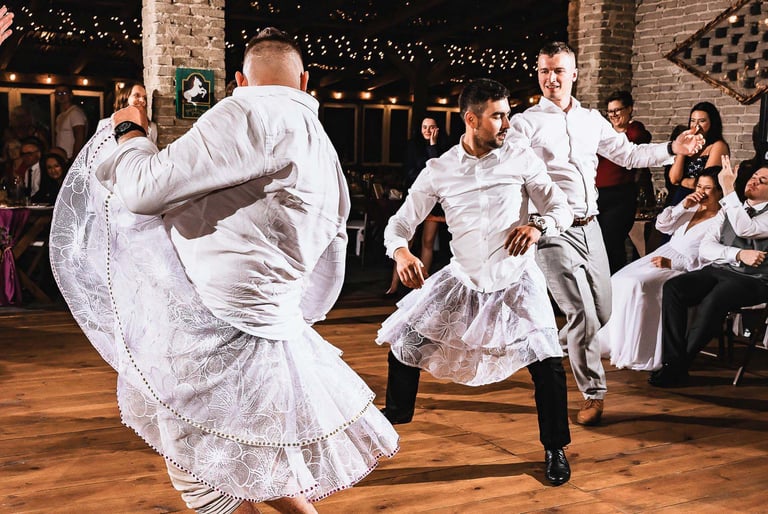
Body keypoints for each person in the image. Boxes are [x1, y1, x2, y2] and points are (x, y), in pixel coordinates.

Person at [50, 27, 398, 513]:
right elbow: (332, 258)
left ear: (238, 79)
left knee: (203, 472)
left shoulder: (247, 111)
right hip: (274, 331)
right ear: (305, 81)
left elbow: (144, 191)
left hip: (214, 329)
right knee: (248, 466)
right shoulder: (325, 149)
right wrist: (295, 318)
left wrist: (129, 132)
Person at [377, 78, 574, 486]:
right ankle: (395, 414)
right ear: (471, 119)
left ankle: (555, 448)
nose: (507, 123)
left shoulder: (521, 158)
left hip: (517, 278)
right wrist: (401, 252)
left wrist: (539, 226)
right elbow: (399, 224)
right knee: (406, 341)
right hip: (463, 279)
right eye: (498, 116)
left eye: (508, 114)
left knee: (549, 364)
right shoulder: (439, 169)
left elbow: (560, 206)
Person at [506, 41, 704, 426]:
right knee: (580, 312)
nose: (552, 78)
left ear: (574, 74)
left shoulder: (590, 120)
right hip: (552, 230)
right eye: (545, 71)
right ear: (538, 73)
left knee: (602, 311)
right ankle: (593, 394)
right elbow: (512, 176)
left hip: (591, 225)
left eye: (559, 71)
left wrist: (671, 148)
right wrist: (523, 222)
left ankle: (544, 347)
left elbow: (629, 155)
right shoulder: (524, 124)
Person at [649, 157, 768, 387]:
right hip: (720, 269)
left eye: (762, 181)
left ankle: (677, 367)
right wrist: (738, 254)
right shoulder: (728, 209)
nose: (753, 182)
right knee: (675, 288)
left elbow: (747, 228)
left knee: (716, 299)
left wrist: (728, 189)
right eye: (754, 177)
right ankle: (675, 363)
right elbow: (706, 247)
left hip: (754, 280)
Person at [598, 172, 722, 371]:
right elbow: (662, 225)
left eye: (707, 188)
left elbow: (711, 255)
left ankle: (640, 350)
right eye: (699, 186)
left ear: (719, 192)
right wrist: (683, 206)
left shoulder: (721, 219)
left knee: (639, 285)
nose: (701, 192)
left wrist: (674, 264)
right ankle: (615, 343)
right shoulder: (691, 209)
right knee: (618, 278)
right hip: (662, 253)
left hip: (685, 264)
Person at [386, 116, 449, 295]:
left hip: (434, 202)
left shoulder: (443, 148)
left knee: (427, 243)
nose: (428, 131)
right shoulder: (412, 146)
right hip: (415, 197)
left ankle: (420, 288)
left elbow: (436, 169)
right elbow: (412, 171)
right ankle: (394, 285)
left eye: (432, 127)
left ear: (438, 129)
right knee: (405, 242)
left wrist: (433, 145)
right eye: (424, 127)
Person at [595, 90, 653, 273]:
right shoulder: (603, 133)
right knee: (597, 245)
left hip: (620, 195)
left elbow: (635, 141)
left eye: (618, 110)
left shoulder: (635, 130)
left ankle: (616, 286)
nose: (613, 115)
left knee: (612, 242)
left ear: (629, 109)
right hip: (597, 195)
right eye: (610, 112)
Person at [667, 101, 729, 205]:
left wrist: (682, 182)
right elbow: (674, 179)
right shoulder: (688, 144)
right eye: (693, 121)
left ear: (712, 123)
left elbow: (705, 184)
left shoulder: (718, 146)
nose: (696, 126)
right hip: (679, 197)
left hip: (701, 202)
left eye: (702, 121)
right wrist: (683, 149)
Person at [54, 84, 88, 161]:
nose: (61, 95)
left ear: (71, 95)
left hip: (70, 158)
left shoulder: (75, 112)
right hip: (61, 158)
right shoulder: (60, 116)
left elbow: (80, 137)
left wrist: (74, 158)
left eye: (64, 93)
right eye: (58, 93)